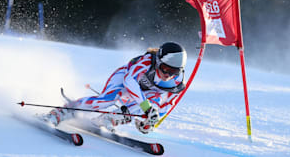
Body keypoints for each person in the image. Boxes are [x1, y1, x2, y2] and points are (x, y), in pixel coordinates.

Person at [44, 41, 187, 134]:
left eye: (174, 71)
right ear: (158, 61)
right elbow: (129, 82)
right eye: (164, 68)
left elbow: (166, 105)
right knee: (108, 100)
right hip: (124, 80)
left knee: (154, 103)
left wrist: (148, 123)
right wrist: (145, 106)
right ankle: (62, 112)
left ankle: (108, 119)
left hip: (144, 92)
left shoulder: (177, 82)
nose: (167, 75)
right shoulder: (146, 62)